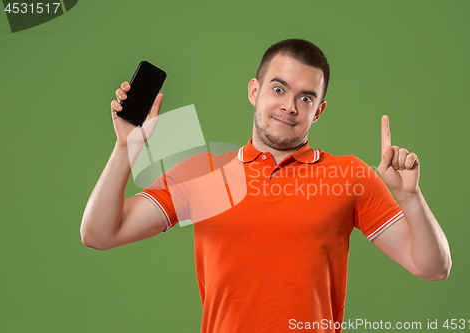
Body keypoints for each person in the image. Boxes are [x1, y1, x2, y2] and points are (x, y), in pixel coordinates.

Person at [81, 39, 451, 333]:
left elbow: (433, 267)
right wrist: (124, 149)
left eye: (305, 98)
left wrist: (410, 198)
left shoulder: (348, 176)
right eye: (279, 88)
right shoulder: (205, 175)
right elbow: (99, 233)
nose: (289, 106)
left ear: (318, 111)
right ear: (254, 91)